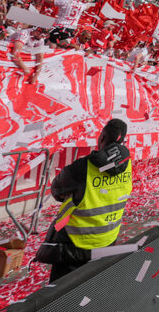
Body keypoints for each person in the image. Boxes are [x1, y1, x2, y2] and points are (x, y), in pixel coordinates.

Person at [41, 119, 132, 282]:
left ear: (102, 137)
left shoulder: (83, 167)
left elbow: (56, 190)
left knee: (59, 292)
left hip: (77, 243)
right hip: (108, 239)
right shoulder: (128, 165)